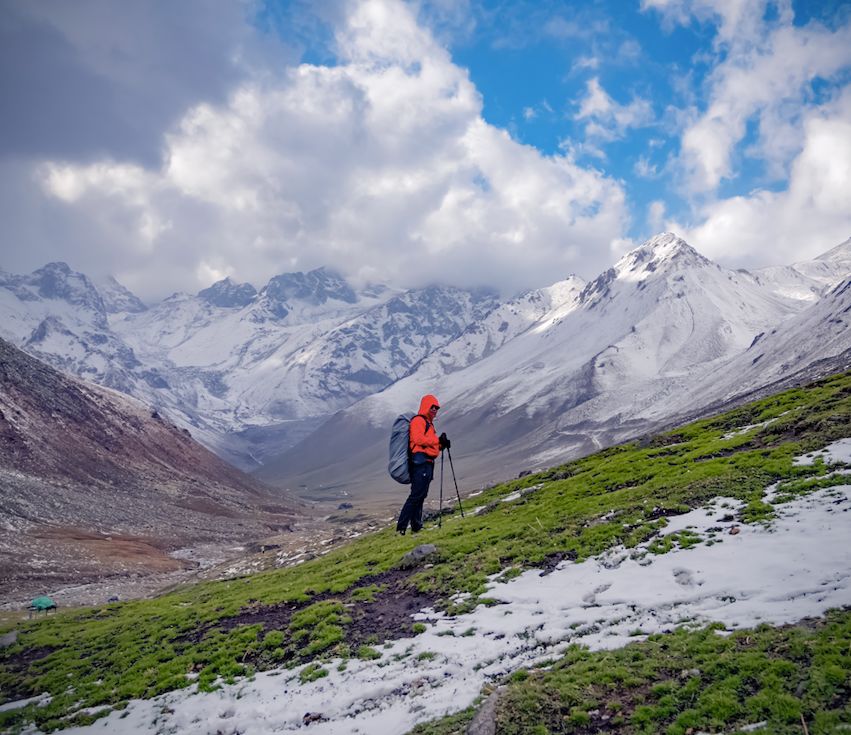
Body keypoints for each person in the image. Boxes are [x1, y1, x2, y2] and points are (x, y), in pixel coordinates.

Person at [396, 394, 450, 535]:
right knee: (416, 495)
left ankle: (416, 526)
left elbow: (429, 446)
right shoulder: (418, 421)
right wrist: (437, 441)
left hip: (427, 463)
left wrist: (441, 444)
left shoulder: (429, 424)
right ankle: (401, 527)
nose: (434, 410)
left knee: (421, 495)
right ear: (426, 406)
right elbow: (418, 439)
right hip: (420, 463)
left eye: (436, 408)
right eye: (432, 407)